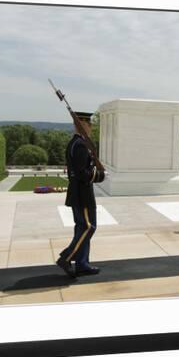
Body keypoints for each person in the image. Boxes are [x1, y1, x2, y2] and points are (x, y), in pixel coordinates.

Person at [56, 111, 106, 278]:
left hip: (79, 193)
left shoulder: (76, 143)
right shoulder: (80, 145)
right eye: (89, 124)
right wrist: (99, 175)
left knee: (81, 228)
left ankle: (82, 264)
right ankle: (67, 257)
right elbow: (82, 173)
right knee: (88, 227)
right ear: (82, 125)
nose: (91, 127)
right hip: (82, 193)